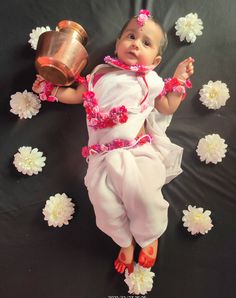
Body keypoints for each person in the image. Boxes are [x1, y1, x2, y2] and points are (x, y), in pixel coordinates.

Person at [33, 9, 194, 275]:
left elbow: (166, 107)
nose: (135, 44)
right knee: (104, 204)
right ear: (118, 43)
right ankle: (124, 240)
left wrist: (178, 79)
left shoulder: (150, 80)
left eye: (145, 43)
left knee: (143, 195)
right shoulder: (99, 73)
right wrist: (51, 88)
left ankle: (149, 234)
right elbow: (77, 96)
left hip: (137, 152)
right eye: (131, 36)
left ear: (155, 60)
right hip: (101, 156)